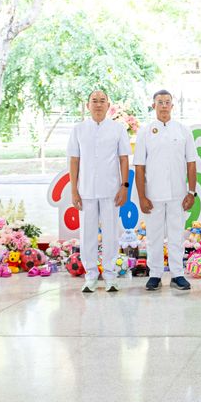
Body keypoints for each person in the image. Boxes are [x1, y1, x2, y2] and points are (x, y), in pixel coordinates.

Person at [67, 90, 131, 293]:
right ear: (88, 105)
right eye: (94, 101)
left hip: (111, 190)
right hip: (86, 191)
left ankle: (111, 275)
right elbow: (74, 160)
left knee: (111, 234)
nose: (98, 104)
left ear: (108, 105)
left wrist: (124, 186)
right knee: (87, 234)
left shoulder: (117, 129)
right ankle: (91, 276)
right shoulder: (78, 129)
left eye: (102, 101)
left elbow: (123, 158)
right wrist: (74, 191)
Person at [133, 90, 197, 292]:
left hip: (178, 193)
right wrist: (142, 196)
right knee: (154, 235)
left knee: (177, 234)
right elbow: (139, 166)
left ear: (172, 106)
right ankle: (155, 274)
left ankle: (178, 274)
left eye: (167, 102)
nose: (163, 106)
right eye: (159, 102)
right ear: (153, 106)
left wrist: (191, 192)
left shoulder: (183, 131)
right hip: (153, 195)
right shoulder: (145, 132)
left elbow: (191, 163)